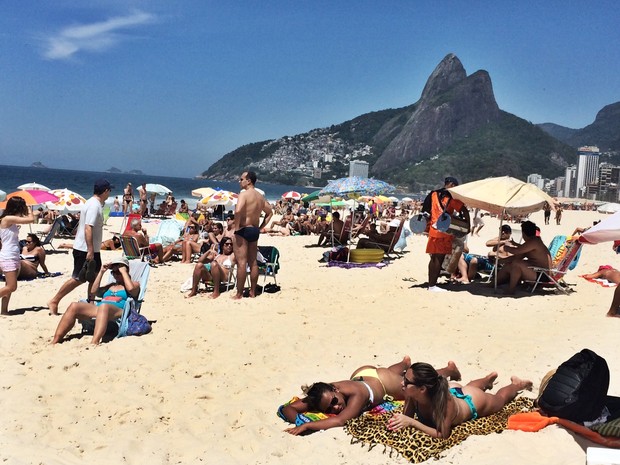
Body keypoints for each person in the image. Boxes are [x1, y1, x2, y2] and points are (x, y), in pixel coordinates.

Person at [282, 356, 461, 436]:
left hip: (382, 384)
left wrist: (308, 426)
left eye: (334, 402)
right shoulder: (322, 393)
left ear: (335, 390)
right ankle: (403, 363)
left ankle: (448, 370)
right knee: (393, 372)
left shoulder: (356, 395)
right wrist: (298, 420)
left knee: (415, 383)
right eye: (329, 409)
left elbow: (339, 421)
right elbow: (287, 408)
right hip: (363, 374)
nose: (335, 408)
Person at [386, 362, 532, 438]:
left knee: (499, 399)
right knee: (467, 387)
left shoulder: (443, 404)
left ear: (422, 389)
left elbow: (443, 434)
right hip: (452, 389)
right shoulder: (412, 394)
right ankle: (486, 381)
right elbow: (406, 417)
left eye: (406, 381)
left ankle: (516, 384)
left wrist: (412, 422)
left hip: (472, 402)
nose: (402, 383)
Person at [47, 179, 112, 315]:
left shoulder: (93, 203)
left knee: (94, 277)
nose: (109, 193)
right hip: (86, 249)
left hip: (91, 249)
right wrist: (90, 250)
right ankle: (54, 300)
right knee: (78, 278)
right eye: (109, 190)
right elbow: (88, 228)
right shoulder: (94, 205)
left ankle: (91, 304)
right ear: (105, 191)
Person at [52, 257, 139, 345]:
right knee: (74, 306)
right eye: (113, 272)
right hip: (101, 309)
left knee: (104, 307)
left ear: (126, 270)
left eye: (118, 272)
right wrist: (101, 272)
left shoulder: (135, 284)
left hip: (119, 312)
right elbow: (93, 291)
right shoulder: (111, 286)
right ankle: (56, 340)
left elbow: (131, 289)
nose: (115, 275)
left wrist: (123, 272)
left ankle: (95, 341)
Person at [422, 177, 469, 292]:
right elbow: (464, 210)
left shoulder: (433, 194)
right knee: (439, 257)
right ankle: (432, 286)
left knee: (434, 258)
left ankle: (431, 284)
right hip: (444, 231)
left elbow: (425, 210)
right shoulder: (450, 197)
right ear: (452, 185)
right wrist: (468, 225)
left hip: (433, 230)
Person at [232, 171, 273, 299]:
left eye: (241, 179)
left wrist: (237, 227)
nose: (239, 181)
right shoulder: (260, 197)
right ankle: (252, 292)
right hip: (254, 230)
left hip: (244, 229)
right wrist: (260, 227)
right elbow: (270, 213)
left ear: (249, 181)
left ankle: (239, 294)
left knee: (242, 263)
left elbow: (238, 210)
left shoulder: (243, 194)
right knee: (253, 262)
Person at [0, 197, 38, 314]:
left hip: (13, 255)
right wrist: (29, 208)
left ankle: (4, 311)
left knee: (8, 286)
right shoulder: (7, 218)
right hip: (8, 256)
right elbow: (32, 219)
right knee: (12, 286)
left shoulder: (10, 220)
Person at [495, 220, 552, 295]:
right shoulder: (531, 242)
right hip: (536, 272)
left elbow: (517, 251)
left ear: (523, 233)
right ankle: (493, 284)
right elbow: (517, 256)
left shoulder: (534, 241)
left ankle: (511, 290)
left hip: (542, 275)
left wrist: (507, 248)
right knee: (509, 265)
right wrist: (499, 261)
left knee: (517, 263)